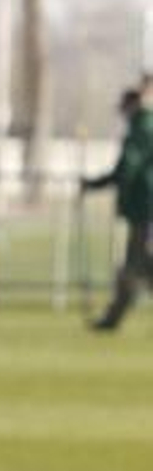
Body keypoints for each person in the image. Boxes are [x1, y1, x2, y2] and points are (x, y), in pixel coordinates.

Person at [81, 80, 153, 331]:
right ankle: (112, 318)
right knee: (140, 265)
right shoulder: (144, 126)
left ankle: (112, 319)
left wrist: (95, 184)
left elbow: (127, 168)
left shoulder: (142, 128)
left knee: (134, 266)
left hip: (146, 209)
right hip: (144, 209)